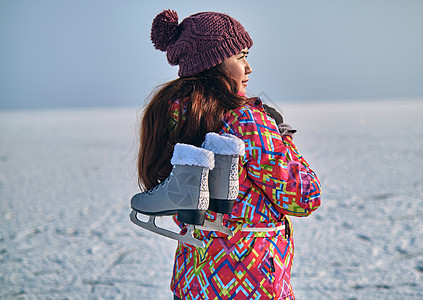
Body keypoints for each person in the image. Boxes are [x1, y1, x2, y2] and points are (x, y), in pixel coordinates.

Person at [136, 9, 321, 300]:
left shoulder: (172, 115)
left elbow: (181, 201)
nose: (248, 69)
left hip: (193, 284)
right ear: (215, 62)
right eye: (241, 56)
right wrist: (283, 138)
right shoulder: (246, 121)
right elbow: (303, 198)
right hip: (252, 284)